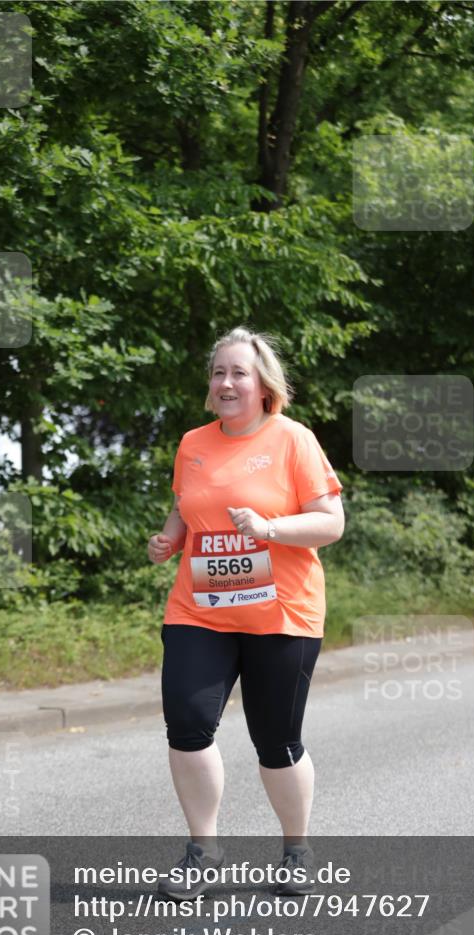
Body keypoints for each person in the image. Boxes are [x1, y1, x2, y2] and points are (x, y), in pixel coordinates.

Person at [147, 325, 344, 901]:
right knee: (186, 724)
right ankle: (202, 851)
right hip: (200, 608)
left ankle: (296, 850)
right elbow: (186, 508)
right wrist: (168, 539)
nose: (227, 382)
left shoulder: (293, 440)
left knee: (276, 740)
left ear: (264, 386)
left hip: (281, 613)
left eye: (239, 373)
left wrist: (270, 528)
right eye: (218, 373)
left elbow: (331, 523)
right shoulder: (193, 443)